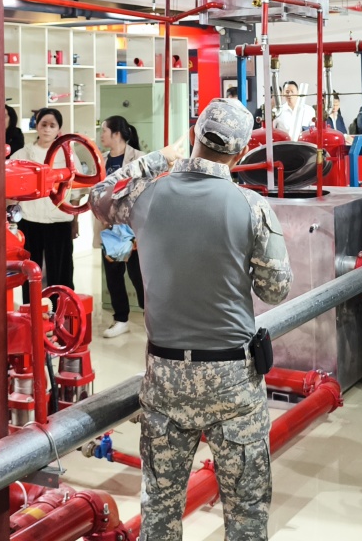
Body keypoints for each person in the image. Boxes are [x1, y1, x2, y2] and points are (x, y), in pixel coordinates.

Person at [88, 99, 292, 541]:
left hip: (165, 377)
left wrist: (158, 159)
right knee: (247, 512)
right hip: (233, 381)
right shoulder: (251, 206)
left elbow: (97, 197)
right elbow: (276, 289)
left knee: (160, 509)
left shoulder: (146, 195)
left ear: (195, 135)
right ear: (241, 152)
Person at [10, 108, 81, 294]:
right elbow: (10, 189)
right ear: (37, 126)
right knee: (29, 271)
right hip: (29, 221)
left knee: (61, 271)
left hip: (59, 221)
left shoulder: (68, 156)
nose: (47, 129)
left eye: (52, 125)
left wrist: (75, 221)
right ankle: (30, 308)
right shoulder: (22, 155)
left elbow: (76, 192)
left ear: (59, 129)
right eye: (43, 124)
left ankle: (61, 306)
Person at [96, 115, 145, 339]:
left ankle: (151, 317)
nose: (101, 135)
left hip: (134, 227)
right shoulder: (102, 160)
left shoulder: (139, 159)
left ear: (116, 134)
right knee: (114, 275)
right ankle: (121, 319)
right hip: (111, 226)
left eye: (104, 131)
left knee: (139, 275)